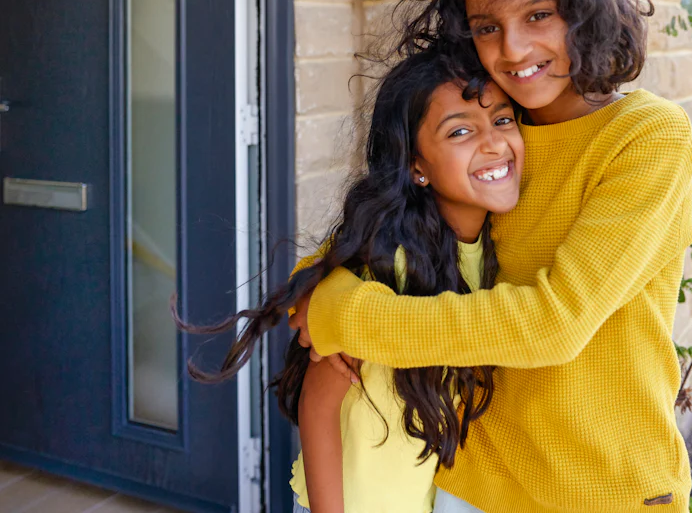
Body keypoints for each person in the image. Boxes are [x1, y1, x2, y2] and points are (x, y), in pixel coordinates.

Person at [291, 0, 692, 512]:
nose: (513, 48)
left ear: (583, 11)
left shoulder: (645, 136)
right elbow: (365, 237)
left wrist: (349, 316)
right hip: (473, 481)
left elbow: (552, 325)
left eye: (539, 15)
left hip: (602, 487)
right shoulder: (500, 137)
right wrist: (314, 285)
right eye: (487, 27)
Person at [175, 47, 525, 513]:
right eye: (460, 130)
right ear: (416, 166)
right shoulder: (392, 265)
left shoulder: (497, 248)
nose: (494, 142)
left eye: (503, 120)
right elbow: (319, 403)